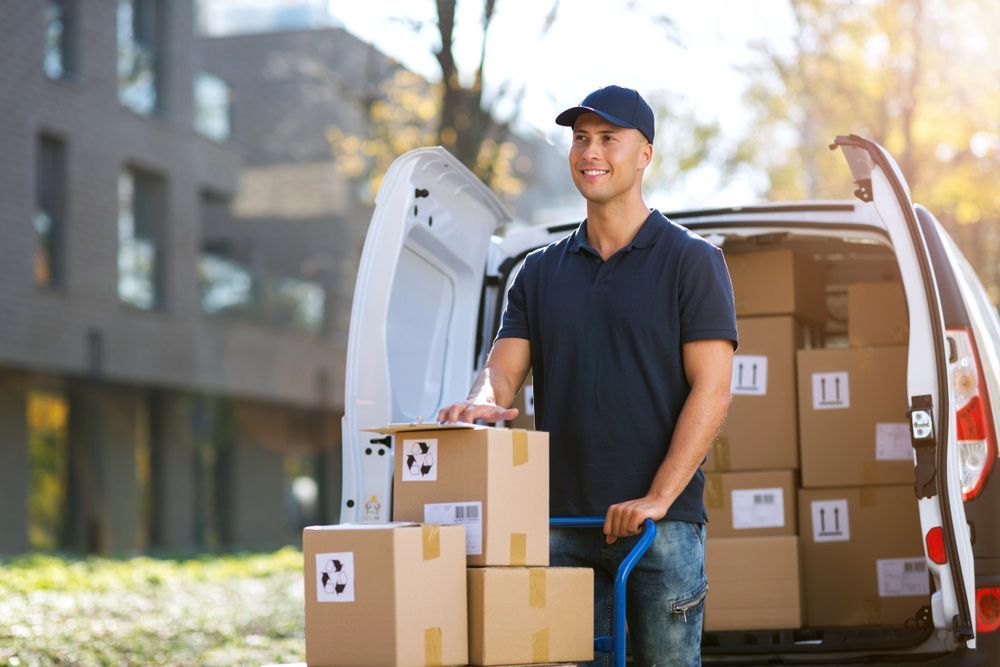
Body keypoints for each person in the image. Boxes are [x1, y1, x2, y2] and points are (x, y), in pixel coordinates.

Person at [437, 85, 738, 667]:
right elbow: (502, 369)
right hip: (559, 525)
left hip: (661, 529)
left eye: (607, 139)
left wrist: (656, 498)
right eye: (580, 139)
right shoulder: (540, 272)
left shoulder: (691, 261)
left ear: (644, 154)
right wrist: (477, 403)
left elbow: (714, 388)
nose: (589, 152)